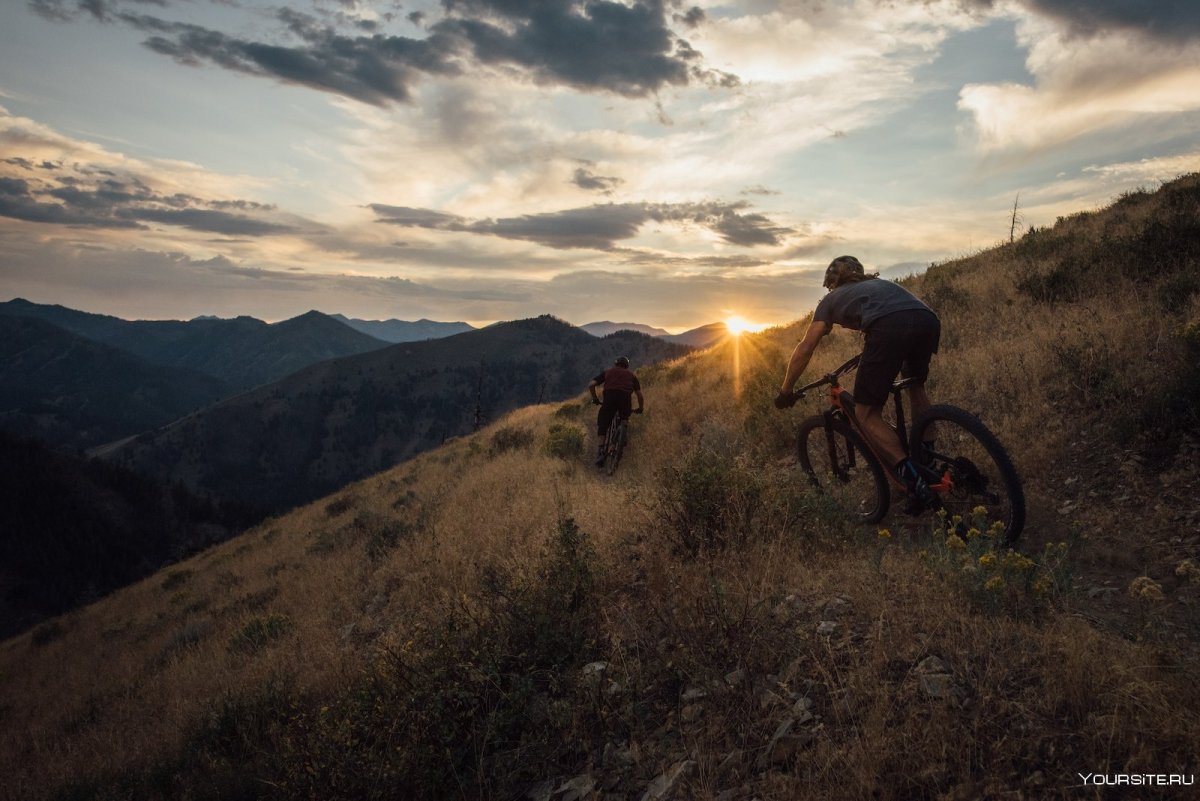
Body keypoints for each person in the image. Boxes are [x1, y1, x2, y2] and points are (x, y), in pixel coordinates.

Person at [774, 255, 940, 512]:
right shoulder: (878, 285)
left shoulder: (829, 300)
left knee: (865, 413)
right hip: (926, 318)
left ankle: (914, 483)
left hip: (888, 327)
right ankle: (927, 459)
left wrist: (786, 391)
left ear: (831, 282)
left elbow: (806, 347)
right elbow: (895, 313)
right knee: (915, 386)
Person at [589, 356, 645, 466]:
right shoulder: (632, 375)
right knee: (624, 417)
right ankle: (620, 437)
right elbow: (639, 395)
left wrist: (595, 399)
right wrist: (641, 408)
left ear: (616, 364)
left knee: (603, 424)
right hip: (625, 399)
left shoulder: (608, 372)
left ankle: (600, 451)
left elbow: (591, 384)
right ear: (627, 366)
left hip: (609, 398)